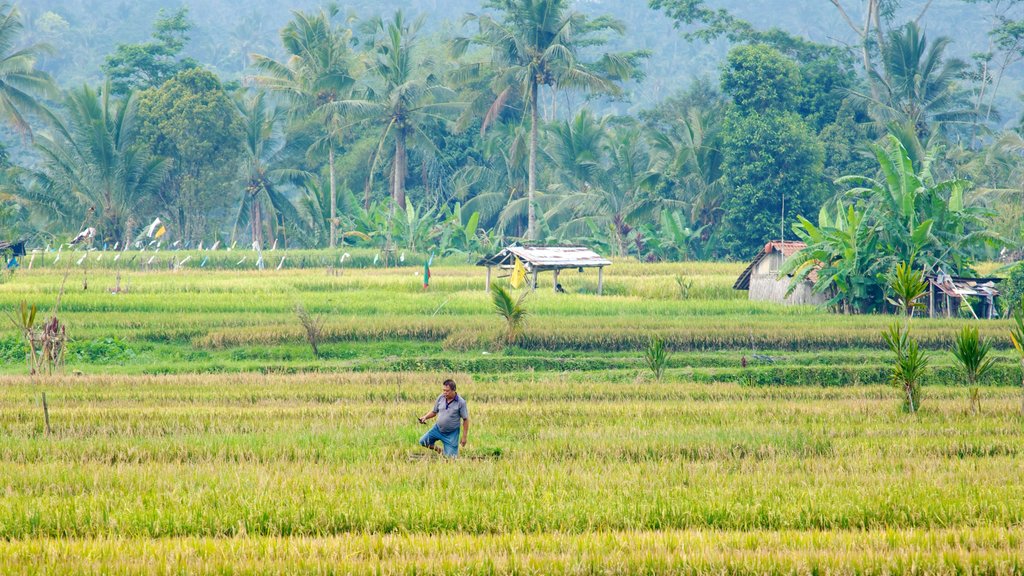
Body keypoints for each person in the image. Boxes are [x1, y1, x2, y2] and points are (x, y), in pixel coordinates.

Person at [417, 379, 469, 457]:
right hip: (437, 429)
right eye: (443, 390)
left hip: (451, 434)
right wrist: (425, 417)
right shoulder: (441, 397)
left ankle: (448, 452)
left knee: (451, 458)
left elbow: (466, 419)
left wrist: (464, 437)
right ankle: (440, 450)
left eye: (447, 391)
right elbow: (434, 412)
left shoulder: (461, 402)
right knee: (423, 441)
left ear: (454, 390)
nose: (445, 392)